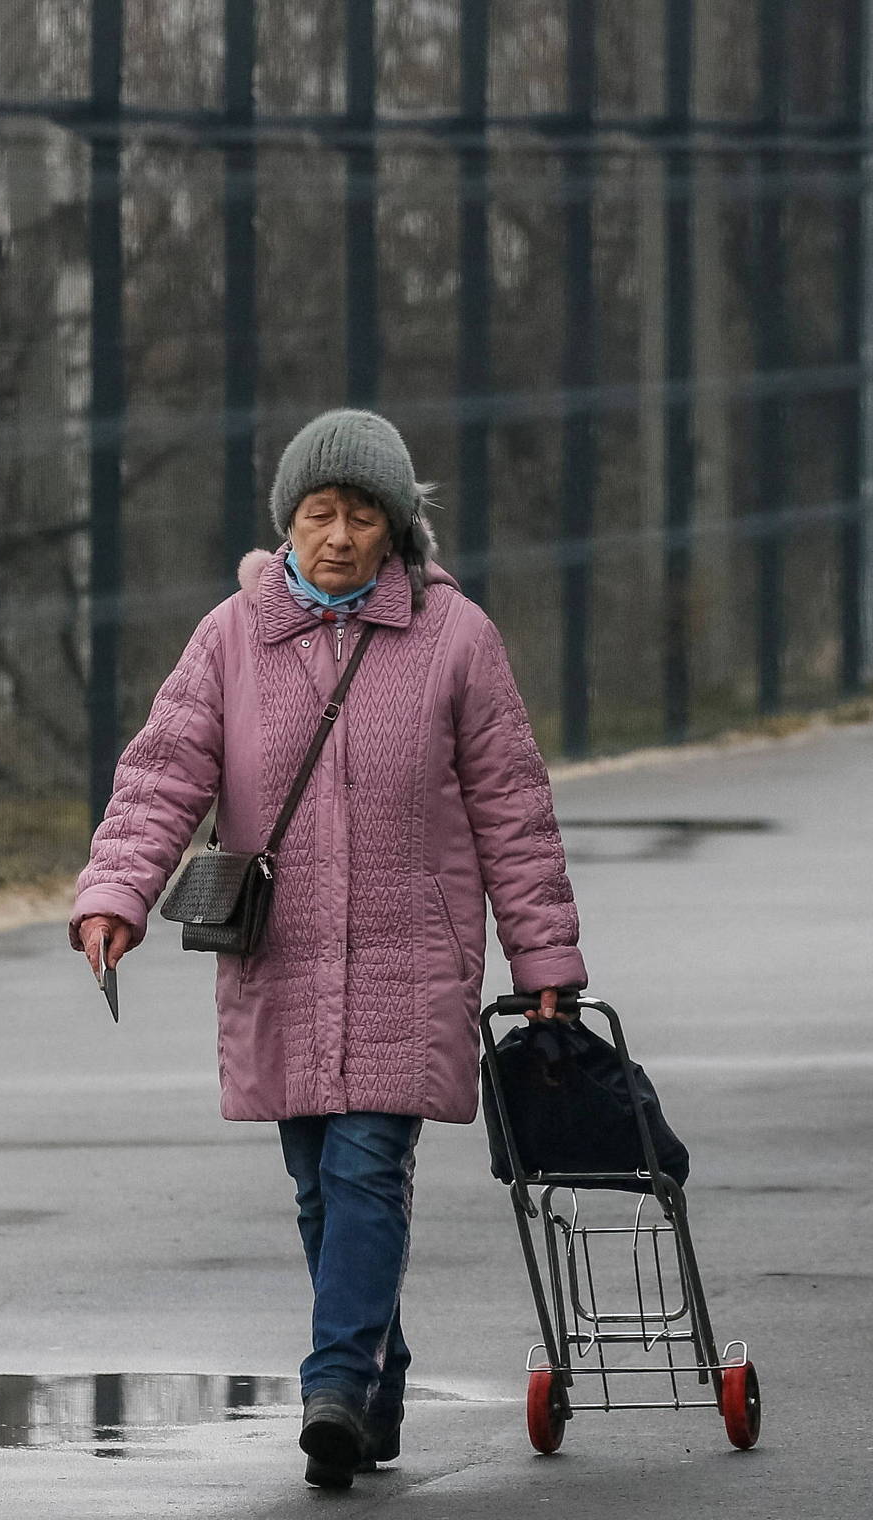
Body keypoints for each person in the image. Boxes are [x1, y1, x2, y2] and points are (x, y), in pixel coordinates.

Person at [69, 408, 585, 1488]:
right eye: (320, 514)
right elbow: (165, 771)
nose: (340, 536)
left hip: (410, 954)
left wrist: (544, 963)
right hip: (283, 958)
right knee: (314, 1179)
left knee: (366, 1166)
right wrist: (117, 890)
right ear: (288, 522)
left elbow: (514, 810)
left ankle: (335, 1384)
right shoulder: (232, 637)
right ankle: (378, 1374)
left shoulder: (456, 640)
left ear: (397, 530)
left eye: (361, 516)